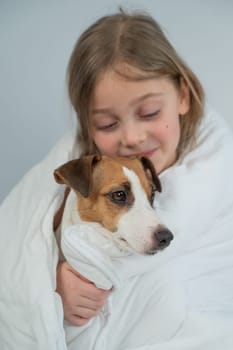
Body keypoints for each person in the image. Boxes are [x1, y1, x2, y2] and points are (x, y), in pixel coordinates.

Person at [0, 8, 233, 350]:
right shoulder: (77, 161)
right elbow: (16, 242)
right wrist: (50, 285)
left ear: (182, 96)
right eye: (108, 124)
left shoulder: (215, 165)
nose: (133, 137)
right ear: (87, 125)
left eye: (150, 113)